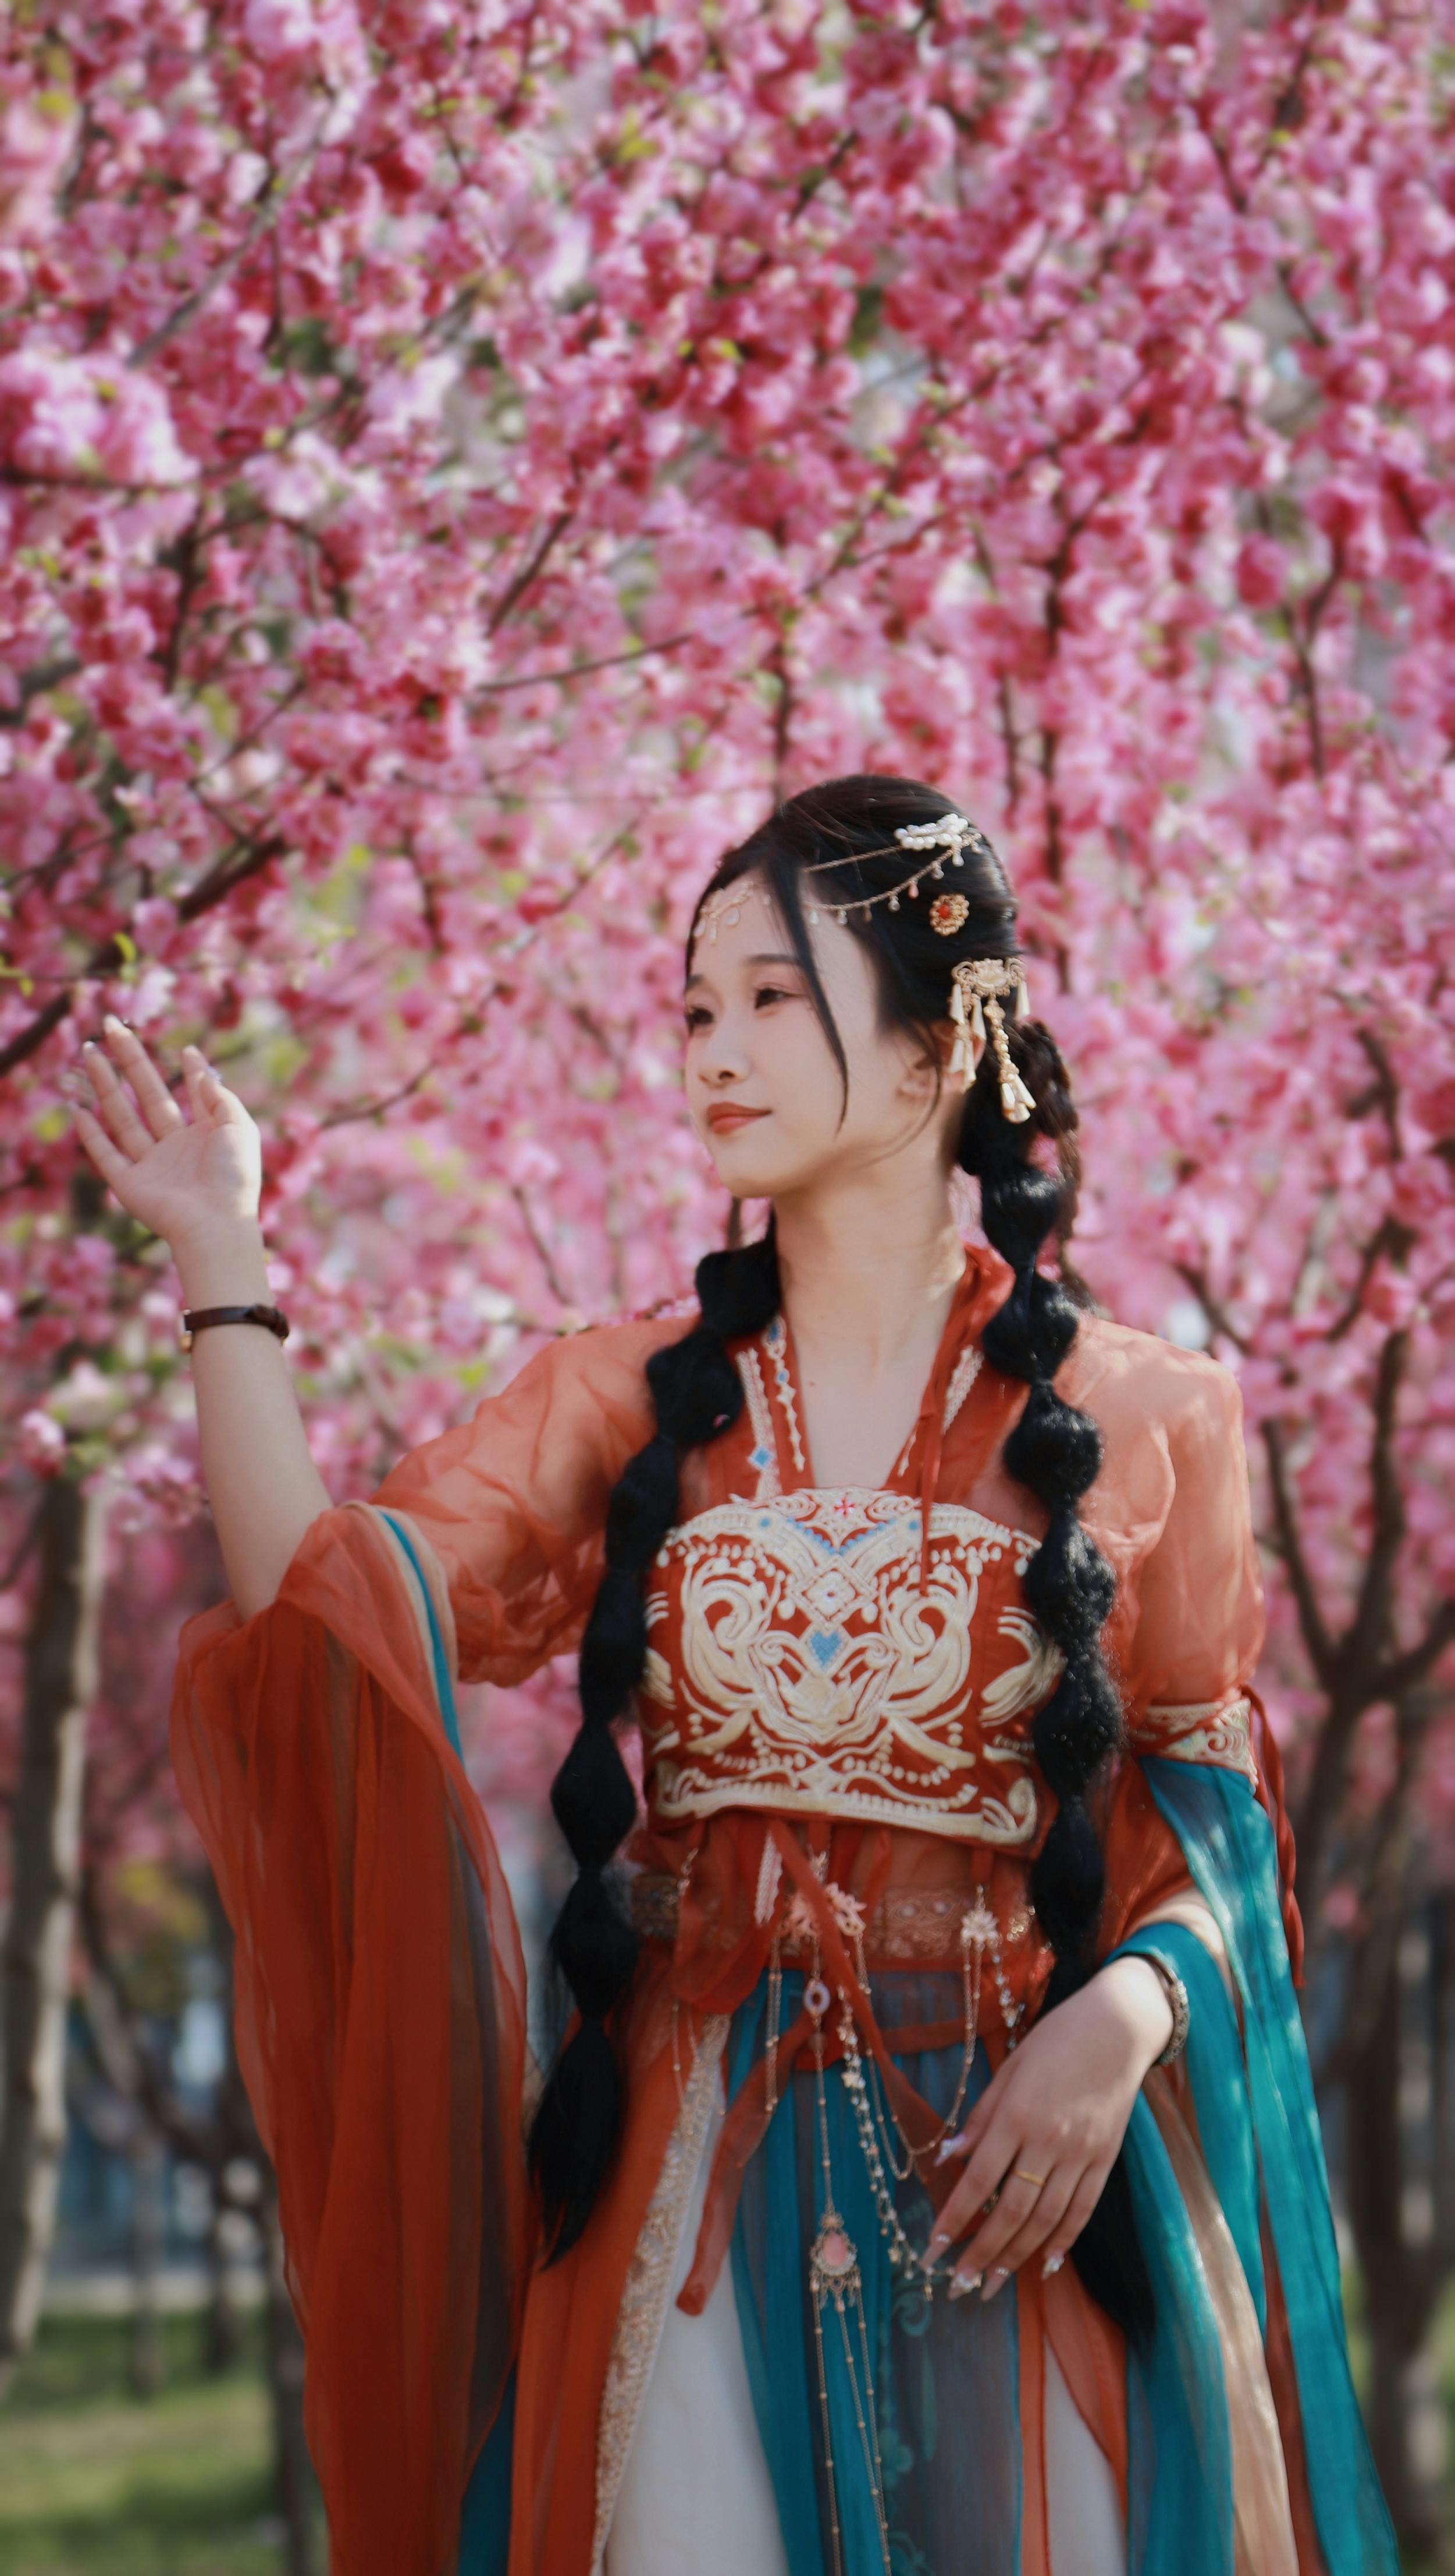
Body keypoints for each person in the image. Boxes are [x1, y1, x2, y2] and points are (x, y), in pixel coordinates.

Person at [67, 775, 1394, 2576]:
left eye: (772, 998)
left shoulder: (1157, 1414)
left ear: (941, 1053)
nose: (712, 1047)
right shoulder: (623, 1400)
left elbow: (1213, 1833)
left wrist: (1127, 2018)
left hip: (1026, 2172)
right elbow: (334, 1617)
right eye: (696, 1004)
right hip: (685, 2175)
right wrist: (223, 1261)